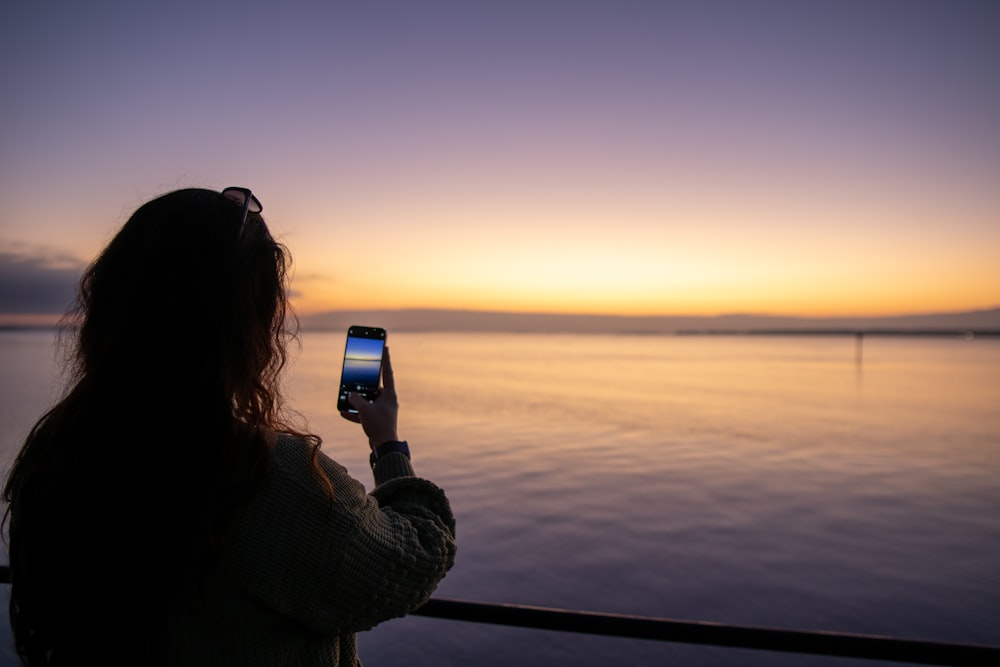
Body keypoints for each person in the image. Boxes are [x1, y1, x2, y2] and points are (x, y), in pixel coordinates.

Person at [1, 187, 456, 666]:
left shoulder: (57, 453)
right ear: (245, 327)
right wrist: (388, 444)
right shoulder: (259, 476)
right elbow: (416, 558)